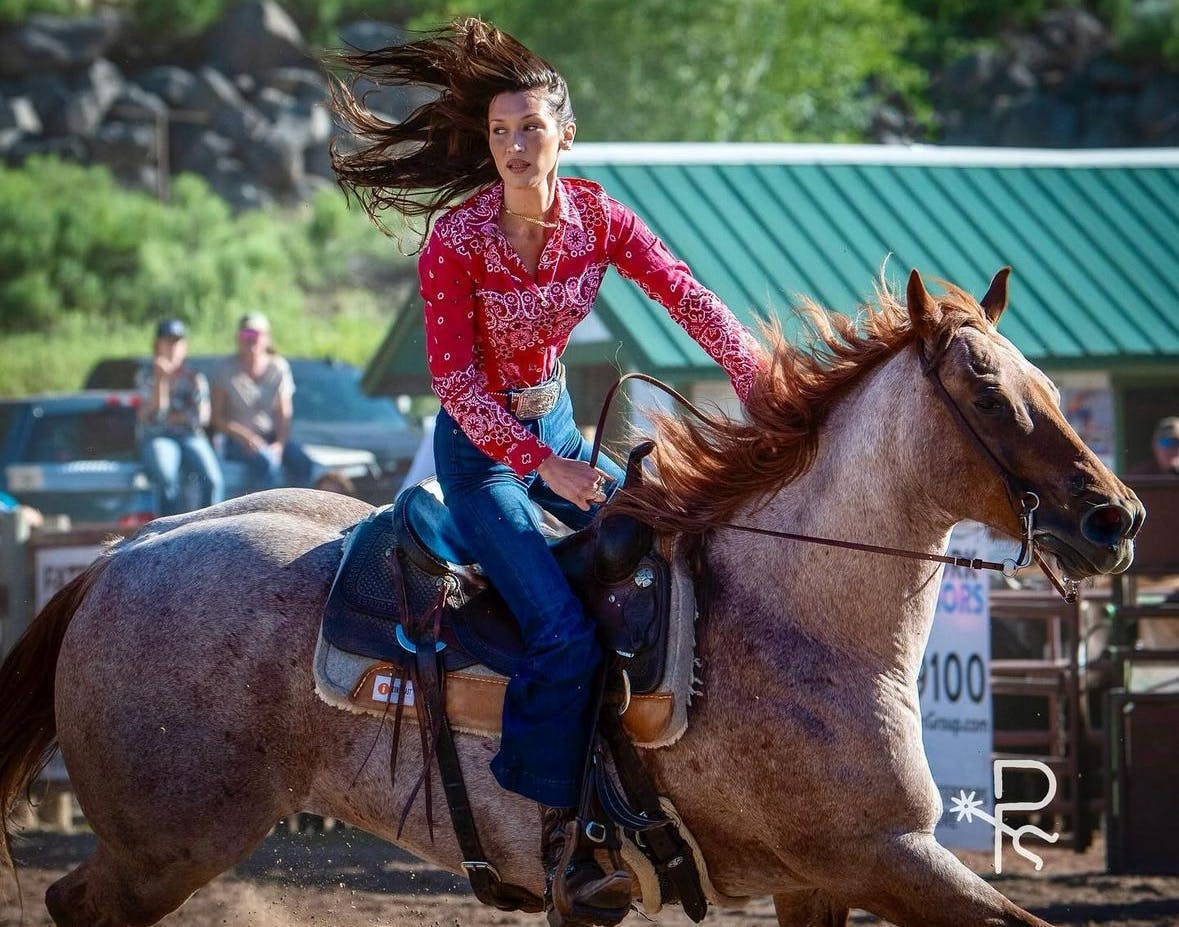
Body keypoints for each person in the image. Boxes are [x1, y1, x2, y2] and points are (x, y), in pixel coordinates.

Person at [328, 18, 765, 923]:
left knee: (660, 558)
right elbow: (452, 383)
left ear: (566, 133)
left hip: (558, 422)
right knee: (561, 630)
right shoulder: (456, 239)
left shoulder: (601, 219)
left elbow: (683, 291)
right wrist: (541, 466)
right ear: (487, 144)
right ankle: (557, 836)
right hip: (481, 455)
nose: (517, 146)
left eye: (532, 127)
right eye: (501, 131)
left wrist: (752, 372)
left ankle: (650, 778)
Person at [210, 313, 313, 492]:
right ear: (238, 338)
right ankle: (260, 515)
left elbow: (284, 413)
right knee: (266, 463)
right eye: (246, 335)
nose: (251, 340)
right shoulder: (225, 369)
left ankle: (300, 512)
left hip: (271, 436)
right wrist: (246, 437)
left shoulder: (278, 368)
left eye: (255, 335)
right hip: (236, 439)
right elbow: (217, 418)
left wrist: (280, 444)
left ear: (267, 338)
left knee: (302, 462)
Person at [136, 319, 224, 516]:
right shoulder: (145, 375)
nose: (173, 348)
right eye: (168, 342)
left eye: (178, 342)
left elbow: (201, 417)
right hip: (158, 437)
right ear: (157, 345)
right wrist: (161, 381)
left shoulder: (194, 376)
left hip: (190, 436)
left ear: (185, 347)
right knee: (167, 478)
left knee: (212, 480)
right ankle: (168, 532)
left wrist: (169, 417)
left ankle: (209, 527)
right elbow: (153, 416)